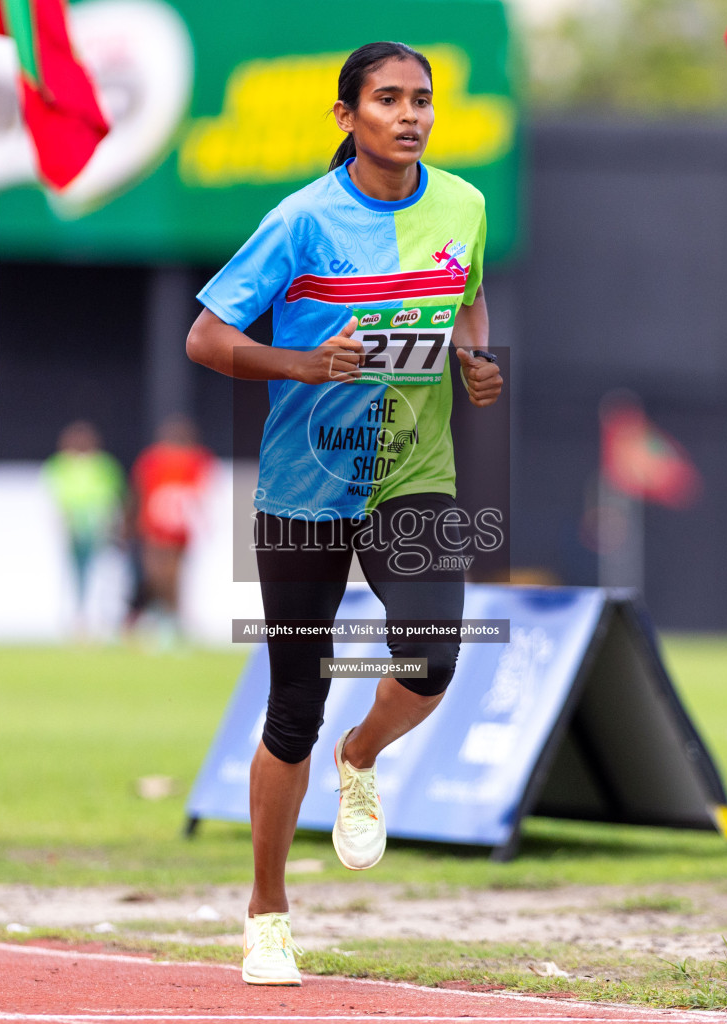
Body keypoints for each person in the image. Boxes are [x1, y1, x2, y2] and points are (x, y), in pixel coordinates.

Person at [185, 42, 503, 986]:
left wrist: (472, 360)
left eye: (423, 101)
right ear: (347, 116)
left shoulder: (466, 205)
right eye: (388, 100)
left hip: (415, 473)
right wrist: (303, 363)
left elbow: (469, 294)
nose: (409, 116)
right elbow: (207, 337)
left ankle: (361, 758)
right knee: (294, 706)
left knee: (434, 656)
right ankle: (267, 915)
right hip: (306, 488)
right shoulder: (300, 221)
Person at [128, 415, 214, 643]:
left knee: (163, 576)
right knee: (165, 576)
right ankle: (168, 621)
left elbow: (139, 492)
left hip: (162, 527)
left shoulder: (155, 459)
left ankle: (170, 622)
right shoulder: (194, 459)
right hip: (166, 527)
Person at [42, 421, 125, 636]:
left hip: (99, 531)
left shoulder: (104, 466)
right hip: (73, 531)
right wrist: (62, 523)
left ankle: (103, 619)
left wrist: (111, 525)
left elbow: (114, 499)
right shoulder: (59, 465)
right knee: (74, 575)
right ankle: (78, 619)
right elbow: (55, 498)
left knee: (102, 575)